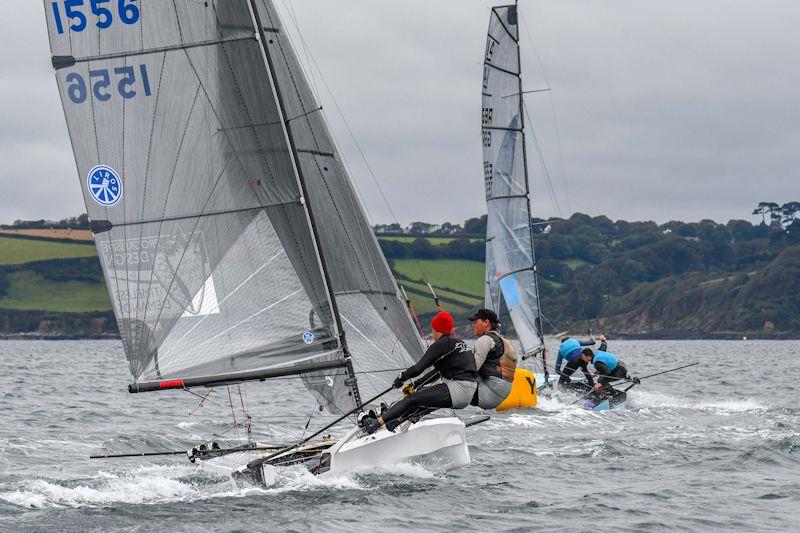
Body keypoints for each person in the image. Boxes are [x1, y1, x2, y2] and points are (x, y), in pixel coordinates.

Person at [364, 311, 478, 434]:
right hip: (468, 392)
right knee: (421, 396)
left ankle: (374, 424)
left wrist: (401, 378)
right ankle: (395, 422)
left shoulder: (441, 345)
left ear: (436, 329)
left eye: (433, 329)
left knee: (412, 398)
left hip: (457, 389)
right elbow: (436, 373)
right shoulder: (458, 343)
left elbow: (417, 369)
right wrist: (415, 384)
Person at [468, 309, 515, 409]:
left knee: (451, 386)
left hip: (488, 392)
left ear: (486, 323)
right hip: (503, 393)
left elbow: (471, 370)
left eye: (476, 322)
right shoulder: (504, 340)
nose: (473, 325)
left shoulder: (485, 340)